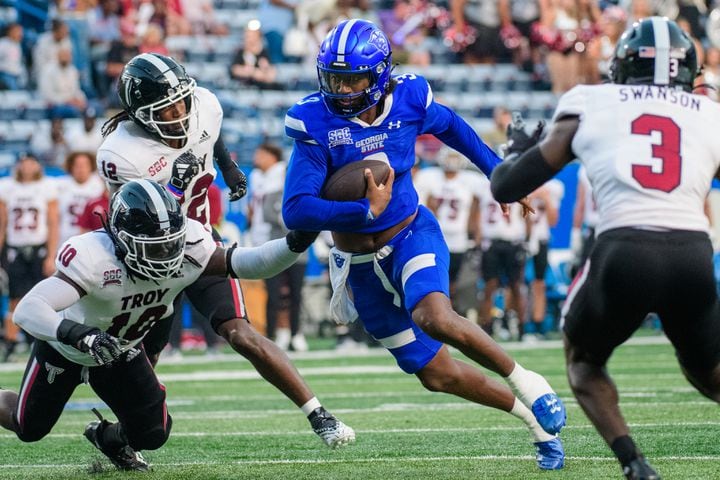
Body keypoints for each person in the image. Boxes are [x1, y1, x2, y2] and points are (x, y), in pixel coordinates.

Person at [282, 19, 565, 470]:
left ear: (379, 74)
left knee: (433, 315)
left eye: (353, 78)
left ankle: (528, 380)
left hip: (412, 232)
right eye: (334, 78)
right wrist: (363, 211)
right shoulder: (313, 119)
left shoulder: (409, 96)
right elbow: (296, 210)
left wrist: (498, 175)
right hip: (357, 261)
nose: (342, 88)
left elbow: (451, 125)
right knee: (437, 375)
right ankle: (533, 422)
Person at [490, 17, 720, 480]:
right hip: (692, 254)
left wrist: (517, 150)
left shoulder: (591, 100)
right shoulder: (710, 111)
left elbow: (507, 185)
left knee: (583, 362)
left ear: (623, 64)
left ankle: (635, 465)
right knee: (710, 375)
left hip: (623, 250)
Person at [97, 53, 354, 448]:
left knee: (241, 333)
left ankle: (318, 414)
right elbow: (132, 216)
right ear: (140, 114)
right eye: (166, 110)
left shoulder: (206, 104)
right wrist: (178, 189)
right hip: (149, 260)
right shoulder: (122, 153)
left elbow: (209, 133)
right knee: (146, 359)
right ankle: (122, 437)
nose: (180, 114)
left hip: (201, 245)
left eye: (183, 102)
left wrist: (228, 165)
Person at [0, 179, 320, 471]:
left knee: (152, 434)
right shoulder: (93, 256)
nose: (165, 254)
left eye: (170, 243)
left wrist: (295, 242)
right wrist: (78, 334)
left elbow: (251, 263)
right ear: (121, 238)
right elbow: (28, 309)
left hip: (119, 350)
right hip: (66, 348)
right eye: (153, 246)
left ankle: (108, 439)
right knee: (28, 428)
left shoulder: (191, 246)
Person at [249, 142, 309, 352]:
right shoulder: (270, 185)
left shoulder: (302, 189)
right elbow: (268, 214)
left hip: (299, 246)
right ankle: (272, 335)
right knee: (273, 294)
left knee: (296, 294)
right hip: (276, 244)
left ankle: (296, 333)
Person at [0, 154, 59, 362]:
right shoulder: (7, 187)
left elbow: (53, 222)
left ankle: (42, 340)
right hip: (15, 248)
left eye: (31, 162)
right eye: (23, 162)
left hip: (38, 248)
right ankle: (11, 342)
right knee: (14, 298)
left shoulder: (46, 186)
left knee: (44, 296)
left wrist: (51, 254)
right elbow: (2, 223)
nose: (26, 166)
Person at [56, 151, 106, 244]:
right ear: (70, 167)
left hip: (90, 238)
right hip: (65, 237)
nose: (81, 168)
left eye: (85, 165)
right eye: (77, 165)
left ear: (91, 166)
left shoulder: (99, 185)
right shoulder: (60, 184)